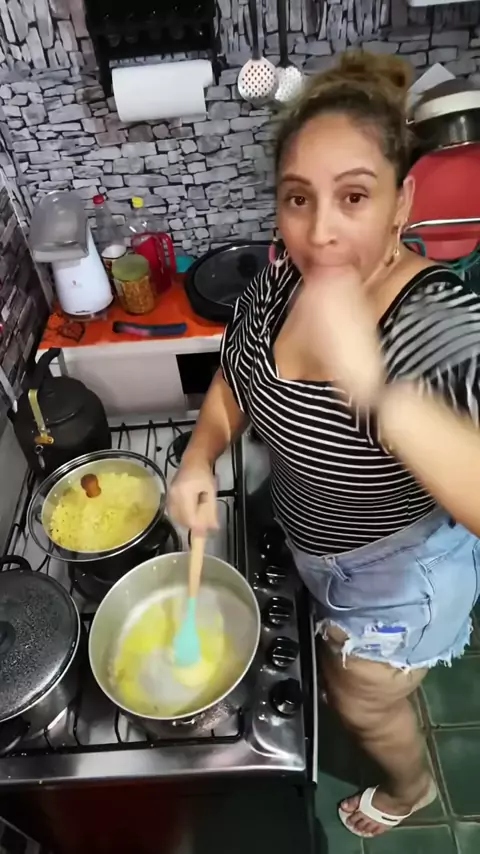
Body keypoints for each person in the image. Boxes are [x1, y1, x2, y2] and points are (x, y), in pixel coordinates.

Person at [167, 50, 480, 838]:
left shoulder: (434, 324)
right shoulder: (281, 281)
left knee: (362, 697)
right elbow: (235, 380)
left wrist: (372, 391)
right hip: (315, 545)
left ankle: (410, 790)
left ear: (403, 202)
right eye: (298, 198)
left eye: (354, 196)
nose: (321, 231)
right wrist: (201, 456)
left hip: (399, 579)